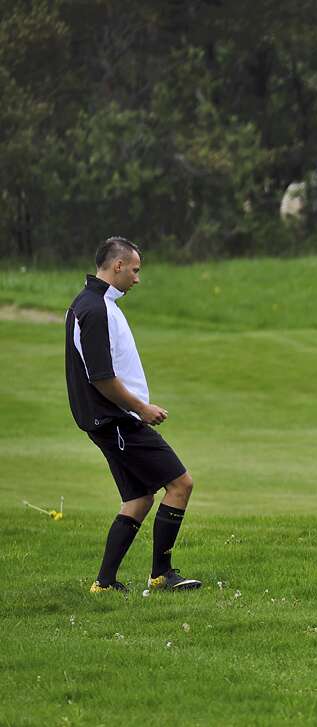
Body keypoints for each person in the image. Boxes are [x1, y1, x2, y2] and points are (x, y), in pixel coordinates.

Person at [66, 237, 202, 593]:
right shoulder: (95, 309)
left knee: (139, 499)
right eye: (135, 270)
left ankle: (104, 583)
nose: (137, 278)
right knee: (181, 485)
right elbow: (101, 378)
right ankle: (162, 575)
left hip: (111, 421)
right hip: (118, 420)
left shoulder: (94, 303)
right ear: (118, 266)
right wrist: (141, 409)